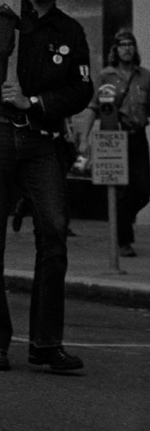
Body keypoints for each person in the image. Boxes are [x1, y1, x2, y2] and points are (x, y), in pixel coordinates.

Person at [0, 0, 93, 373]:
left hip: (40, 139)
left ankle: (45, 342)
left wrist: (34, 101)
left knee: (54, 231)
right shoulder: (0, 13)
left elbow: (82, 93)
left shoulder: (71, 31)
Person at [98, 28, 148, 258]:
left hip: (138, 137)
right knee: (119, 189)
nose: (127, 49)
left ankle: (122, 221)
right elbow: (94, 107)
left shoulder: (145, 76)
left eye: (131, 44)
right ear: (115, 50)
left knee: (143, 189)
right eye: (123, 45)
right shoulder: (106, 75)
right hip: (115, 137)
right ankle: (123, 240)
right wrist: (86, 138)